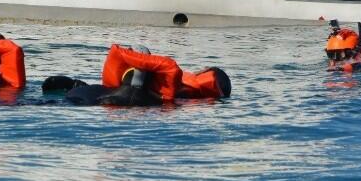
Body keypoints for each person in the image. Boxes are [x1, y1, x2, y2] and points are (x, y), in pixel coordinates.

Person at [43, 44, 231, 106]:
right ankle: (75, 85)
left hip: (122, 96)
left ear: (204, 73)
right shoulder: (194, 99)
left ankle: (75, 85)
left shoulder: (183, 84)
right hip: (134, 99)